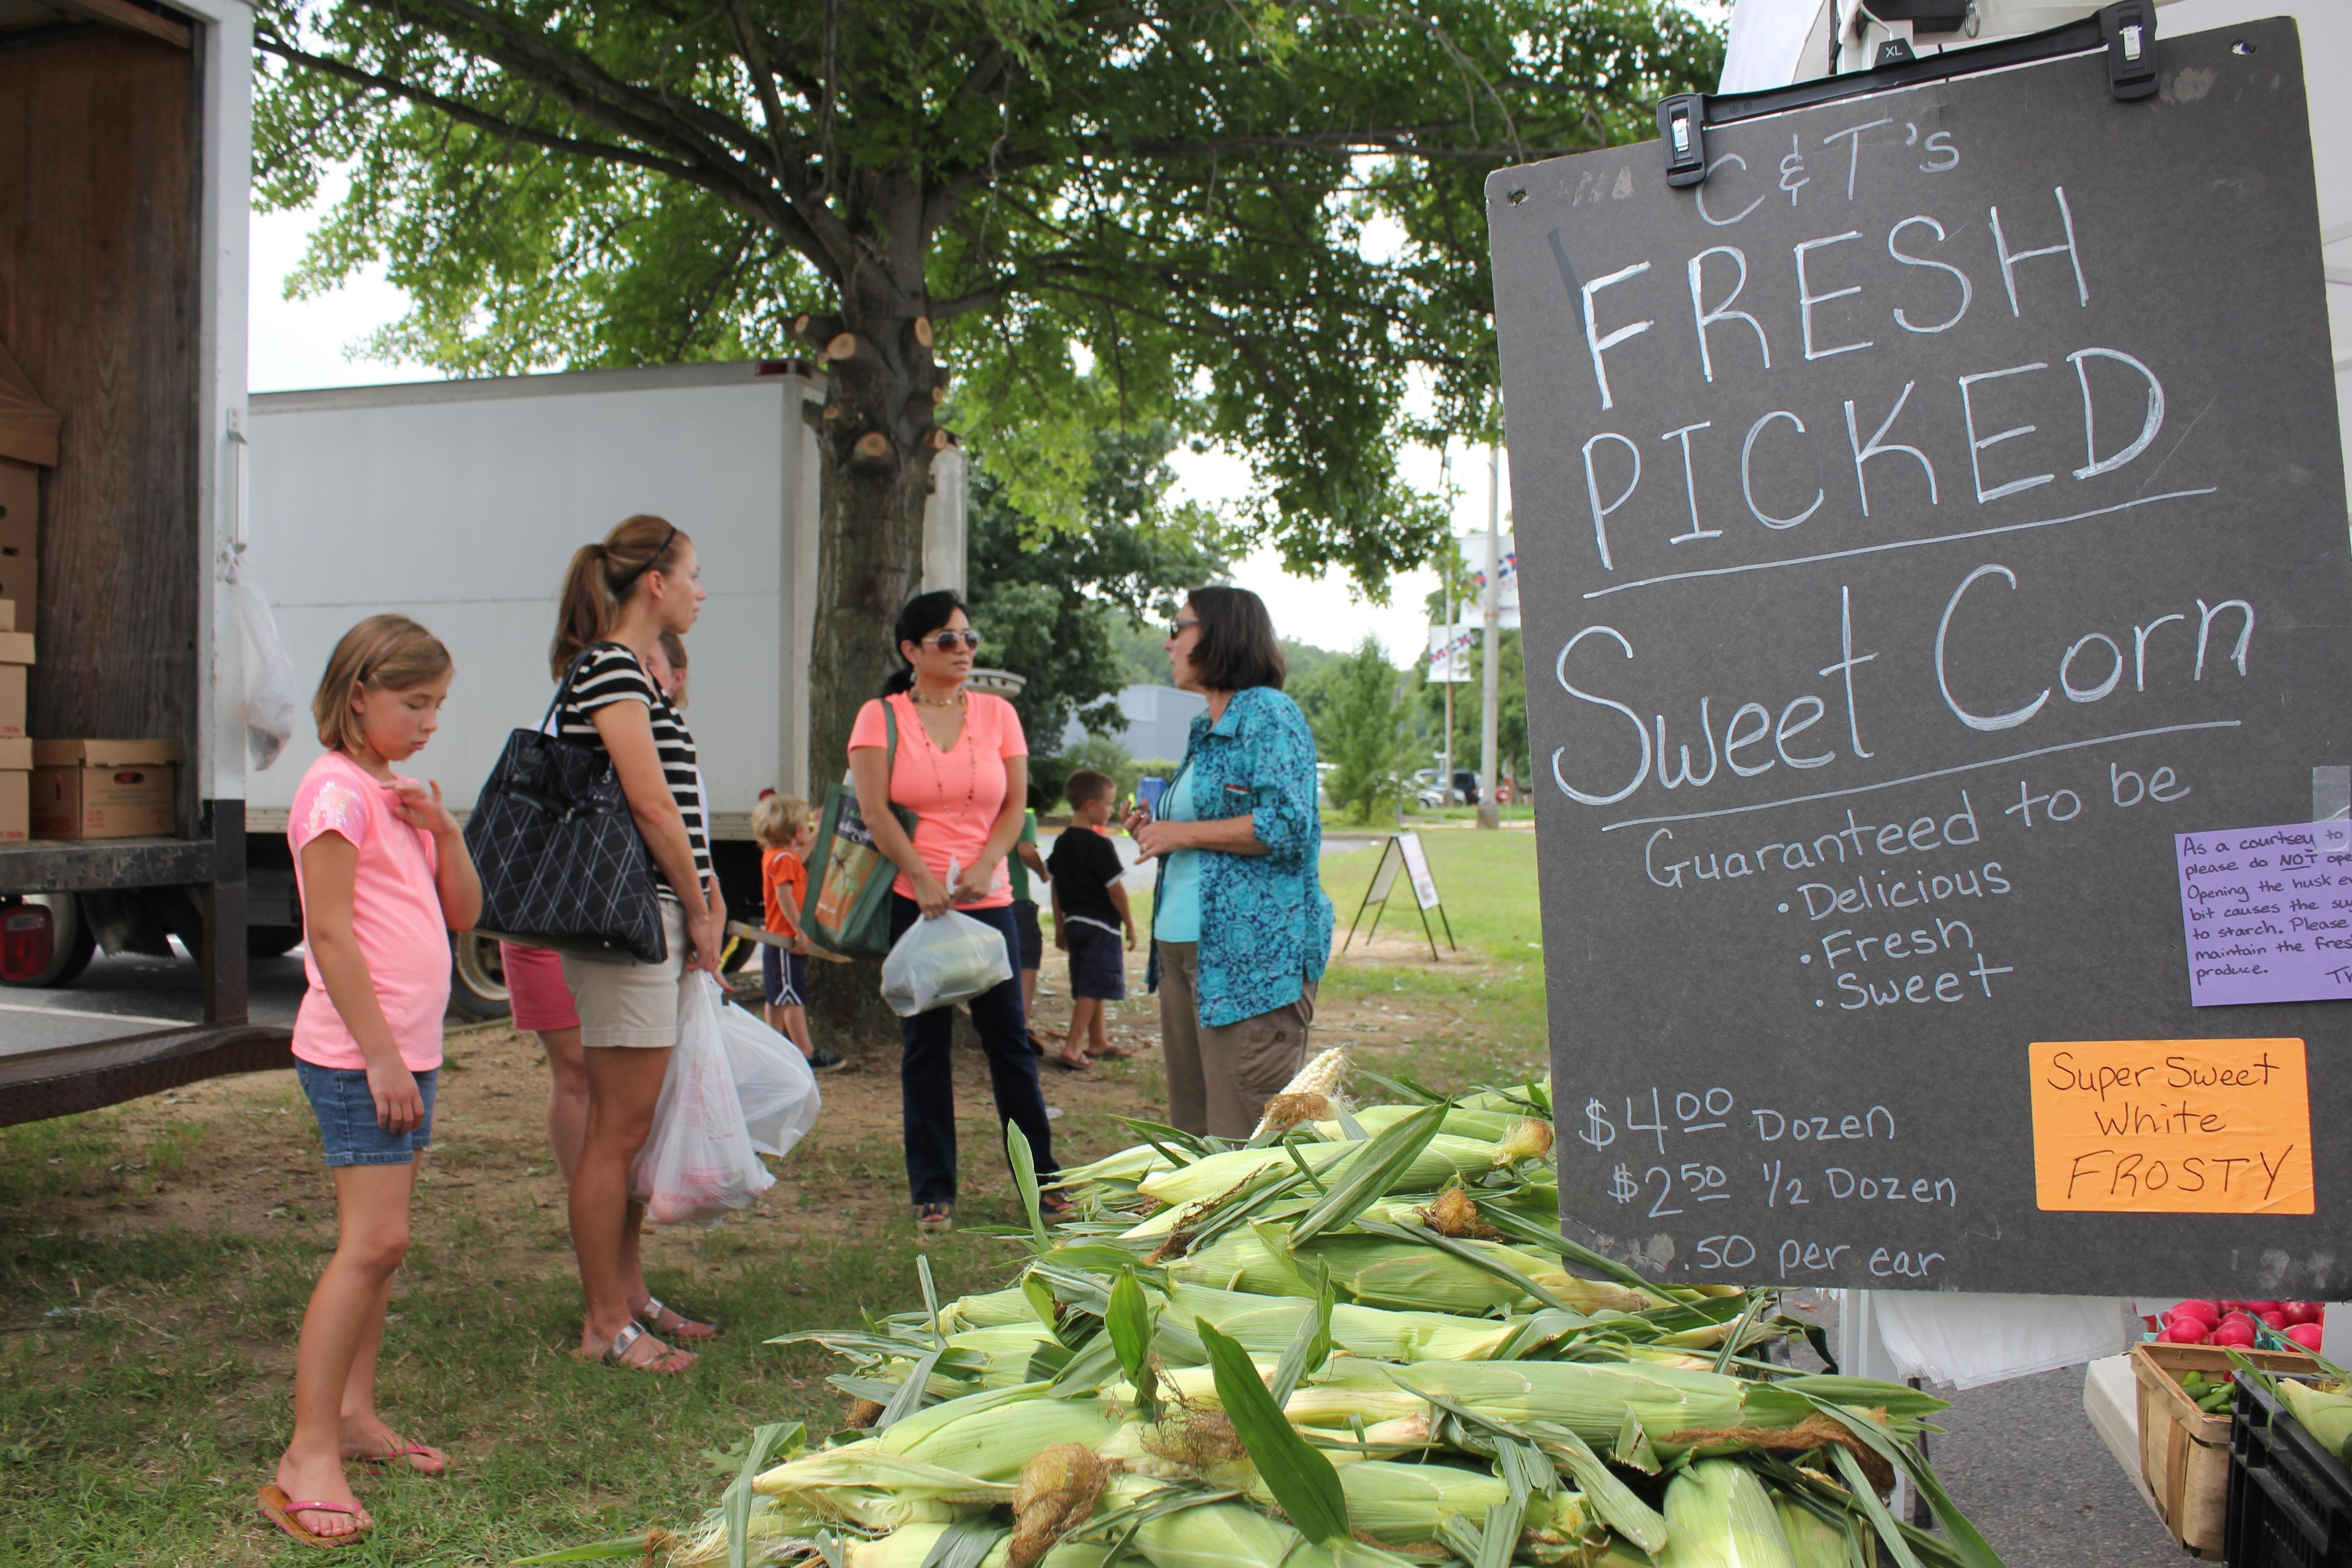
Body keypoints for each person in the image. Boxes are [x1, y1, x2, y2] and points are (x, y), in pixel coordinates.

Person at [263, 616, 483, 1547]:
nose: (431, 721)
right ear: (359, 696)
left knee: (384, 1247)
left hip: (405, 1053)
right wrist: (383, 1056)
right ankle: (307, 1454)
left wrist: (444, 830)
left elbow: (465, 913)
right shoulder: (334, 795)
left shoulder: (391, 792)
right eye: (414, 702)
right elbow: (332, 935)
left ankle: (354, 1414)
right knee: (372, 1243)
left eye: (438, 704)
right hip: (364, 1055)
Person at [549, 514, 725, 1373]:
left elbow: (677, 809)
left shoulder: (638, 675)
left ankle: (630, 1298)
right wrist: (697, 905)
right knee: (615, 1132)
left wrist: (709, 895)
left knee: (633, 1125)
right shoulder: (610, 667)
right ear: (654, 581)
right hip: (626, 922)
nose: (701, 590)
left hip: (649, 916)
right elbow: (650, 806)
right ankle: (601, 1323)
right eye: (693, 574)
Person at [848, 590, 1066, 1233]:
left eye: (969, 638)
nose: (964, 649)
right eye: (947, 639)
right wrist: (919, 874)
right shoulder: (879, 717)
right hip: (913, 900)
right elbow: (874, 812)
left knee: (1010, 1045)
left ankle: (1044, 1182)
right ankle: (934, 1189)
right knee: (926, 1046)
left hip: (989, 899)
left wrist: (983, 866)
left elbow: (1014, 807)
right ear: (911, 651)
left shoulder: (998, 715)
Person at [1127, 587, 1333, 1140]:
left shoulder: (1269, 713)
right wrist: (1155, 830)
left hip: (1249, 964)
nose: (1169, 642)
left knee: (1243, 1141)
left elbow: (1291, 824)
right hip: (1183, 954)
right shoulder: (1205, 728)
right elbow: (1200, 830)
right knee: (1197, 1136)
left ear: (1220, 634)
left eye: (1179, 627)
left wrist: (1182, 831)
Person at [1046, 769, 1136, 1072]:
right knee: (1095, 986)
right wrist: (1131, 926)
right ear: (1090, 805)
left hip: (1075, 923)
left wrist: (1060, 925)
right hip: (1102, 927)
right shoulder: (1099, 845)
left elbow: (1055, 885)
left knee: (1090, 981)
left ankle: (1098, 1041)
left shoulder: (1062, 843)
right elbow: (1117, 891)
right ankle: (1072, 1047)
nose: (1111, 811)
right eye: (1109, 804)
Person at [755, 792, 845, 1071]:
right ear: (795, 832)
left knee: (779, 998)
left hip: (781, 941)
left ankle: (774, 1047)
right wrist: (799, 931)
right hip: (785, 940)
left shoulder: (780, 856)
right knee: (793, 998)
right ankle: (806, 1053)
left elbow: (802, 855)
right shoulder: (783, 859)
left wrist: (819, 830)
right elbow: (785, 897)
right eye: (805, 827)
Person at [1011, 783, 1051, 1049]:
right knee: (1028, 956)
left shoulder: (986, 814)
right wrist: (1043, 873)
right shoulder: (1022, 816)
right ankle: (1021, 1024)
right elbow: (1026, 851)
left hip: (982, 898)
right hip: (1016, 897)